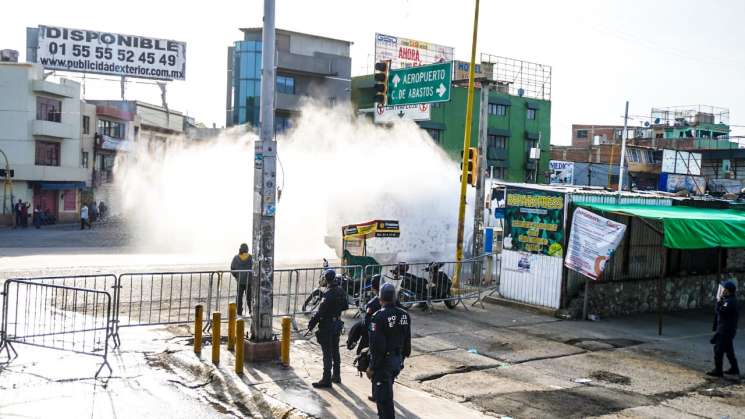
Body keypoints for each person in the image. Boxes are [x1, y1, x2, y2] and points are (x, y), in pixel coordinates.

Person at [367, 283, 411, 418]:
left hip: (383, 363)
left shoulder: (378, 317)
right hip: (396, 361)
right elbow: (407, 341)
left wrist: (372, 367)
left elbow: (377, 347)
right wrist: (401, 360)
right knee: (387, 395)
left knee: (383, 401)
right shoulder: (404, 314)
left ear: (380, 298)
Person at [308, 269, 348, 388]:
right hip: (336, 324)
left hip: (327, 325)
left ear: (326, 279)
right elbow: (345, 306)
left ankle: (326, 379)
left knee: (327, 353)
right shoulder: (340, 290)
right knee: (335, 350)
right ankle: (336, 375)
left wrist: (312, 324)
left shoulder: (328, 294)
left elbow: (320, 312)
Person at [707, 280, 740, 378]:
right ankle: (734, 368)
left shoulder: (729, 302)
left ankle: (718, 370)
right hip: (727, 330)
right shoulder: (729, 300)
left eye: (724, 289)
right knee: (729, 350)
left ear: (728, 290)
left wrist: (718, 302)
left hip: (725, 330)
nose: (723, 291)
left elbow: (720, 312)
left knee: (718, 350)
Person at [230, 243, 253, 316]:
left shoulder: (236, 257)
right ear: (247, 249)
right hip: (249, 281)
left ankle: (239, 311)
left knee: (239, 296)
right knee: (249, 297)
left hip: (240, 281)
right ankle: (250, 310)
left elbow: (232, 268)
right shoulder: (251, 257)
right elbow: (255, 267)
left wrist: (237, 276)